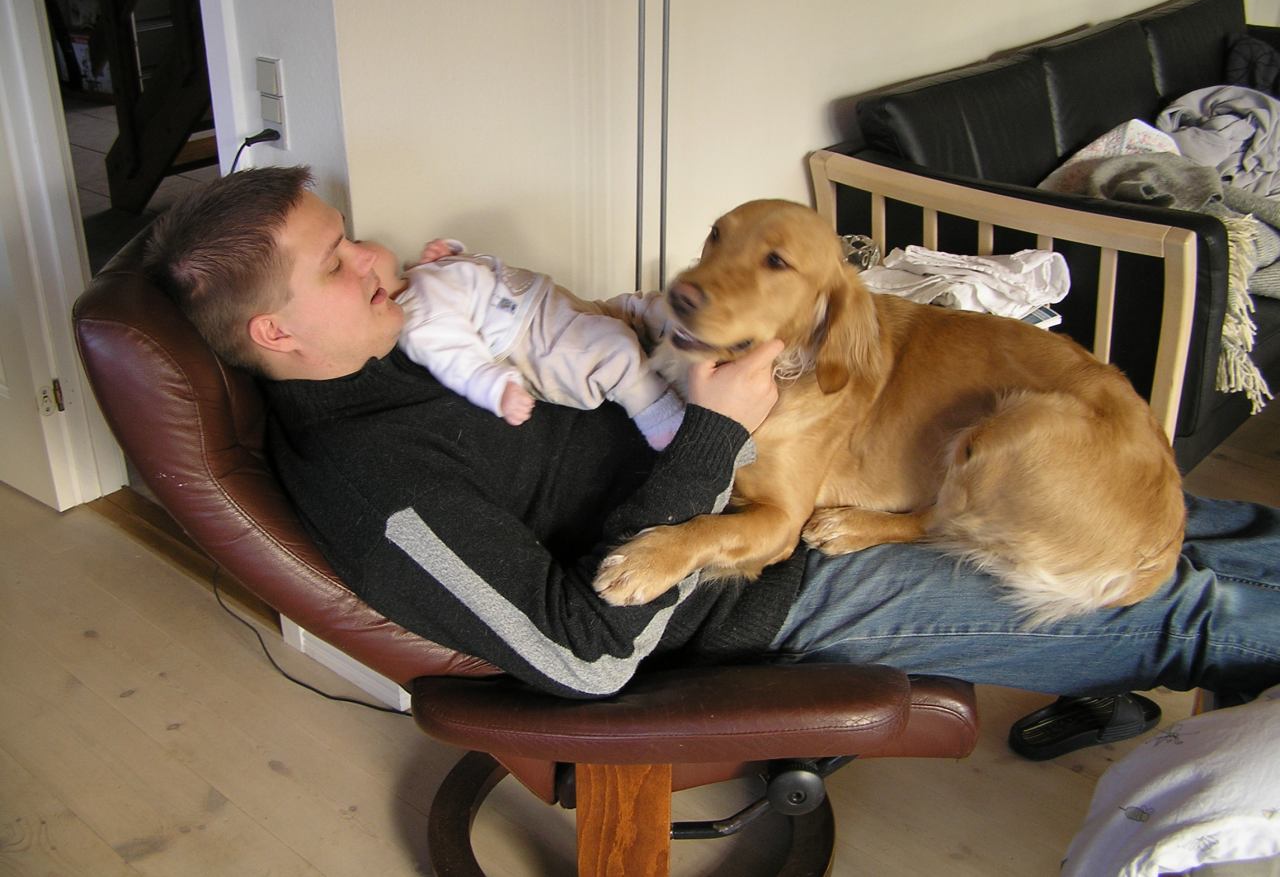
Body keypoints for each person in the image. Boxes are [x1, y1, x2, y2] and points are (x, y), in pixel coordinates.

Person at [145, 165, 1280, 719]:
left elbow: (556, 341)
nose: (375, 255)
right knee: (1169, 606)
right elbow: (583, 656)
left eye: (353, 236)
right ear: (274, 332)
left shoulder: (408, 339)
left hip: (762, 478)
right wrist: (713, 434)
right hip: (770, 584)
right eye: (337, 261)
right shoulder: (377, 488)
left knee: (1182, 519)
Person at [380, 236, 684, 448]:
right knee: (613, 351)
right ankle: (662, 421)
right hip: (535, 345)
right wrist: (497, 390)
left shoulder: (418, 274)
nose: (365, 252)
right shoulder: (419, 321)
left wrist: (450, 253)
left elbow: (473, 279)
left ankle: (685, 321)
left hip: (550, 306)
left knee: (632, 309)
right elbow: (457, 363)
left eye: (357, 244)